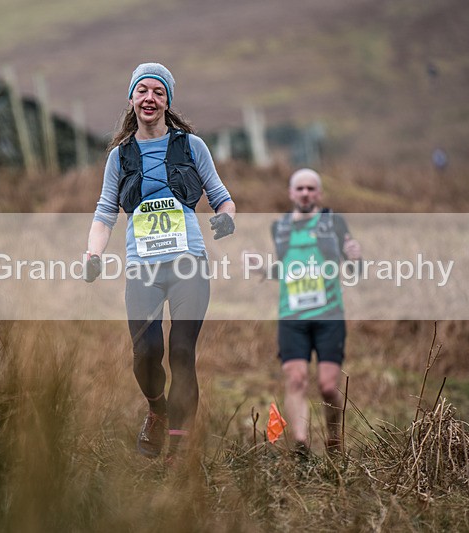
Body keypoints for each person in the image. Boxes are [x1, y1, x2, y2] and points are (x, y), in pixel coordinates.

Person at [84, 62, 236, 461]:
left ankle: (179, 451)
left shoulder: (191, 146)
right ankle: (156, 407)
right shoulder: (120, 156)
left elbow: (222, 196)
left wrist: (226, 218)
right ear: (132, 98)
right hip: (143, 267)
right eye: (142, 91)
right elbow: (105, 213)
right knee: (146, 353)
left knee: (182, 352)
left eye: (158, 92)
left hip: (189, 262)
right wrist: (94, 253)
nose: (149, 98)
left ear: (167, 102)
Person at [248, 168, 361, 455]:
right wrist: (263, 269)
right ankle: (301, 446)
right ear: (290, 193)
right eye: (300, 188)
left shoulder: (333, 223)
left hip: (329, 316)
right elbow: (288, 267)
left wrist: (356, 257)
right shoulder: (281, 227)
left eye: (311, 188)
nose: (306, 193)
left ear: (319, 193)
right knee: (296, 379)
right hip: (292, 317)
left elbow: (354, 267)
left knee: (326, 386)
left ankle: (334, 438)